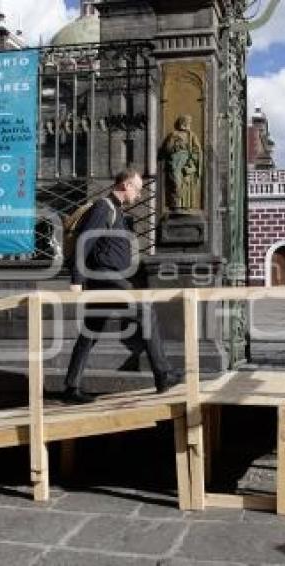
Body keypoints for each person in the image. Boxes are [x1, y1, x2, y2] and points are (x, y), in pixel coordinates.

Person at [64, 169, 182, 404]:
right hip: (106, 277)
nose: (138, 195)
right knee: (146, 312)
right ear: (126, 185)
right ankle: (162, 374)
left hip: (107, 279)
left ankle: (71, 387)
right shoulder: (103, 207)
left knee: (90, 332)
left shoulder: (116, 211)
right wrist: (76, 281)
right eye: (137, 189)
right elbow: (84, 242)